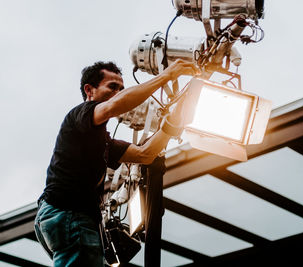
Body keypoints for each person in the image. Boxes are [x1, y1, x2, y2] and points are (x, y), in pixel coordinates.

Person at [34, 59, 198, 266]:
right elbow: (112, 107)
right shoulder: (81, 113)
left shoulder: (102, 140)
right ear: (89, 90)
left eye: (122, 88)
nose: (118, 93)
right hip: (69, 213)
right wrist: (167, 75)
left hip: (60, 215)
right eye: (112, 87)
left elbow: (145, 154)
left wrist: (174, 122)